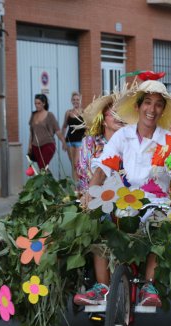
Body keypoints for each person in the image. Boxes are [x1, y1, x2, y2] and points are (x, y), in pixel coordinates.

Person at [76, 78, 171, 307]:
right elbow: (103, 166)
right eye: (147, 102)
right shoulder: (122, 135)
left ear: (163, 110)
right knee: (96, 219)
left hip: (156, 203)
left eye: (158, 104)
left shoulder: (169, 140)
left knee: (162, 226)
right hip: (123, 199)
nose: (152, 109)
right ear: (138, 107)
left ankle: (150, 285)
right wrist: (90, 193)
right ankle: (102, 287)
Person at [73, 93, 124, 305]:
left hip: (124, 202)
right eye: (114, 112)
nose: (119, 117)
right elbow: (83, 174)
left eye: (123, 113)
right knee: (98, 224)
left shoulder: (130, 143)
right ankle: (101, 287)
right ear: (103, 116)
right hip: (93, 199)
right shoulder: (89, 142)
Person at [28, 94, 67, 170]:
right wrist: (30, 145)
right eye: (35, 103)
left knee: (42, 165)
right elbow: (31, 132)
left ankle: (48, 181)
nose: (37, 105)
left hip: (48, 144)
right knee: (42, 168)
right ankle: (50, 181)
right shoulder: (33, 115)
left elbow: (58, 131)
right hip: (35, 146)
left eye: (39, 103)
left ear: (44, 103)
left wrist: (63, 142)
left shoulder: (50, 115)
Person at [62, 92, 85, 181]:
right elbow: (64, 126)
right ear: (71, 101)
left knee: (77, 164)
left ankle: (80, 184)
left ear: (80, 100)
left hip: (80, 141)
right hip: (69, 141)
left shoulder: (84, 112)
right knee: (73, 165)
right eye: (74, 100)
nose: (76, 101)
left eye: (77, 100)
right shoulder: (68, 113)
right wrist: (63, 141)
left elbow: (89, 127)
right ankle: (76, 187)